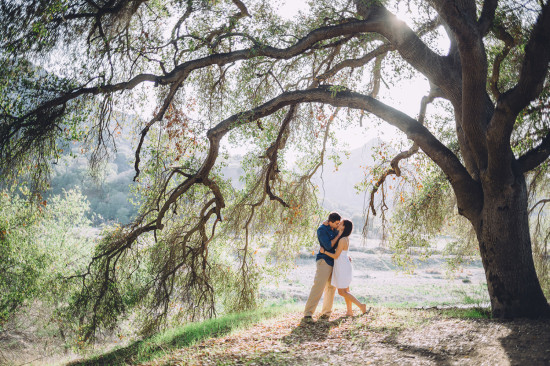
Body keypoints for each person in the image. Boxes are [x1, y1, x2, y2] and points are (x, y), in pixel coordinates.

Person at [320, 219, 369, 316]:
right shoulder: (345, 238)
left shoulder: (342, 240)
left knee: (342, 292)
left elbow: (336, 256)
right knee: (346, 290)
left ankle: (361, 306)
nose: (339, 224)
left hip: (342, 266)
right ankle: (349, 311)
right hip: (343, 264)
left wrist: (324, 252)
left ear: (344, 227)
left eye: (341, 224)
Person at [303, 212, 342, 322]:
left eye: (339, 223)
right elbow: (328, 245)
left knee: (331, 287)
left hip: (334, 260)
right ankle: (308, 313)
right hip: (324, 261)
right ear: (330, 222)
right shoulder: (321, 230)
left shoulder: (335, 229)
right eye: (336, 223)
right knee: (318, 287)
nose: (338, 225)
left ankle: (326, 313)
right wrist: (338, 235)